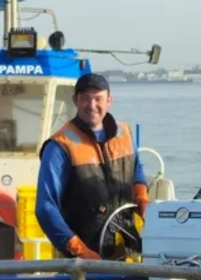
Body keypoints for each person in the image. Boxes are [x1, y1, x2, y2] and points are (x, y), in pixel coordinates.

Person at [36, 71, 148, 259]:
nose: (92, 105)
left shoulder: (125, 133)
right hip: (81, 259)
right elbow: (46, 207)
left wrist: (144, 203)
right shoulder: (59, 146)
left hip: (128, 247)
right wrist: (80, 251)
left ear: (109, 100)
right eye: (85, 99)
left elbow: (137, 172)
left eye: (98, 99)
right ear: (75, 101)